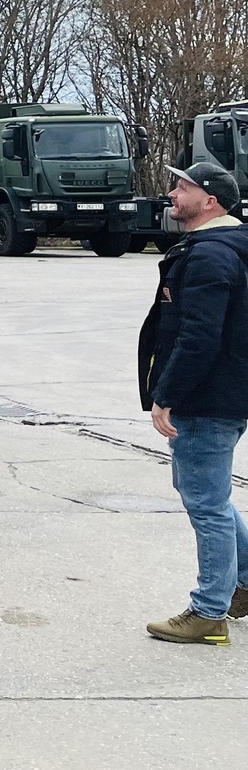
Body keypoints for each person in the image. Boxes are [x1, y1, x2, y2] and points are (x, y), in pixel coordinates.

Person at [138, 161, 248, 644]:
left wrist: (167, 395)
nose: (172, 193)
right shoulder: (225, 247)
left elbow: (199, 336)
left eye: (183, 187)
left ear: (211, 201)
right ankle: (242, 584)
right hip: (224, 391)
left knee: (206, 504)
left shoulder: (211, 255)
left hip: (208, 396)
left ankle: (208, 614)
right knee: (212, 498)